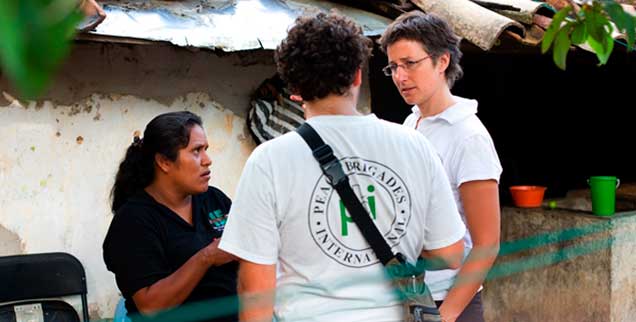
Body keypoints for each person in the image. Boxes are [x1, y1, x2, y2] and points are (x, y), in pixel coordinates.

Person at [218, 11, 466, 322]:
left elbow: (256, 288)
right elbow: (451, 253)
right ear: (358, 76)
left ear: (295, 90)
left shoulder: (269, 161)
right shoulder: (414, 146)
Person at [379, 11, 503, 322]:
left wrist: (445, 316)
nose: (400, 76)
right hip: (412, 297)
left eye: (410, 63)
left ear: (442, 61)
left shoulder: (468, 136)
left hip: (449, 303)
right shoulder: (412, 123)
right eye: (393, 66)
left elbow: (487, 244)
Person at [103, 111, 237, 322]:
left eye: (206, 150)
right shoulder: (134, 221)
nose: (207, 160)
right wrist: (207, 257)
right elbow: (151, 307)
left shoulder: (215, 199)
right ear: (164, 162)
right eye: (196, 151)